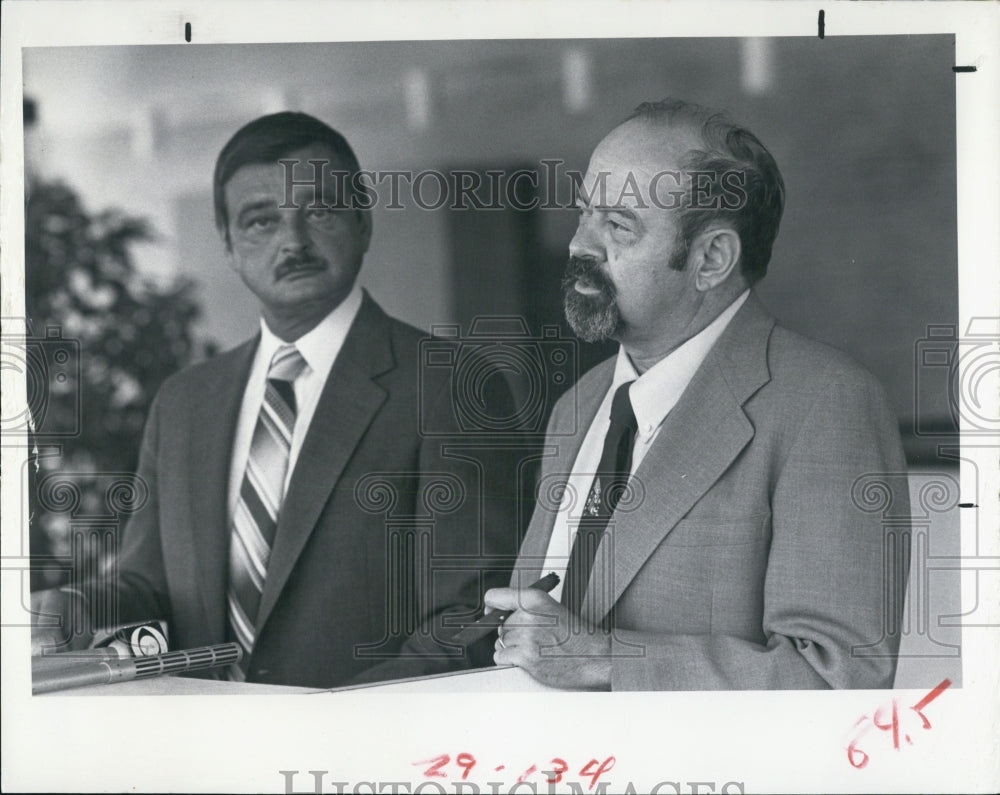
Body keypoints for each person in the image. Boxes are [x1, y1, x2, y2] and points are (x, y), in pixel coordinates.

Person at [32, 112, 518, 688]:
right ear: (229, 245)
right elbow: (149, 582)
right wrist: (78, 607)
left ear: (362, 222)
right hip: (205, 749)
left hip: (358, 756)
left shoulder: (449, 385)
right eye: (261, 220)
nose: (294, 240)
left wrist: (328, 720)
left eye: (319, 211)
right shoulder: (184, 402)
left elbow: (468, 618)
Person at [485, 99, 909, 690]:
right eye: (584, 213)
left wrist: (607, 661)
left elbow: (840, 681)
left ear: (711, 259)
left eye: (617, 225)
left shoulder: (826, 402)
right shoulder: (576, 408)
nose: (580, 244)